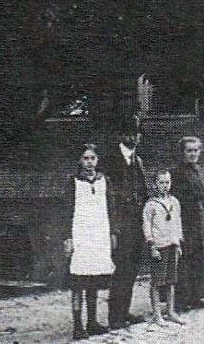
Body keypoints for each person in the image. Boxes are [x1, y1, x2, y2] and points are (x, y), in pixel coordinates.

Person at [99, 116, 148, 329]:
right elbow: (106, 195)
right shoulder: (109, 160)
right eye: (128, 133)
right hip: (120, 224)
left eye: (136, 133)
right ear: (120, 135)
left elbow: (143, 191)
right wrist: (113, 227)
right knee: (121, 269)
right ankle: (115, 317)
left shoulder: (137, 160)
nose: (133, 137)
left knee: (132, 269)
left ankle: (124, 311)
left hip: (137, 223)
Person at [63, 144, 114, 340]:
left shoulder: (104, 181)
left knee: (94, 278)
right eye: (85, 158)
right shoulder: (72, 182)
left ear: (98, 160)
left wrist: (113, 233)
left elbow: (111, 208)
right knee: (78, 281)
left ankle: (92, 322)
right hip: (81, 236)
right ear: (79, 161)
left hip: (99, 236)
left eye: (92, 158)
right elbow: (66, 212)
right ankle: (77, 325)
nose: (89, 162)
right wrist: (67, 237)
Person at [170, 136, 204, 311]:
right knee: (185, 258)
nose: (193, 154)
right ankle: (182, 299)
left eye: (196, 150)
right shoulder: (177, 173)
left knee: (198, 256)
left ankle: (196, 295)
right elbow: (176, 199)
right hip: (185, 219)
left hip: (197, 218)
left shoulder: (195, 170)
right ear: (182, 153)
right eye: (189, 150)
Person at [143, 170, 185, 325]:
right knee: (157, 281)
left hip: (173, 244)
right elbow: (147, 226)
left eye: (167, 182)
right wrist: (151, 245)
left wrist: (179, 242)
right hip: (159, 246)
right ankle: (157, 313)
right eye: (161, 182)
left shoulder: (174, 202)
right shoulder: (151, 205)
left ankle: (171, 310)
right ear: (155, 184)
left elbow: (178, 222)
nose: (165, 186)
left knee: (171, 280)